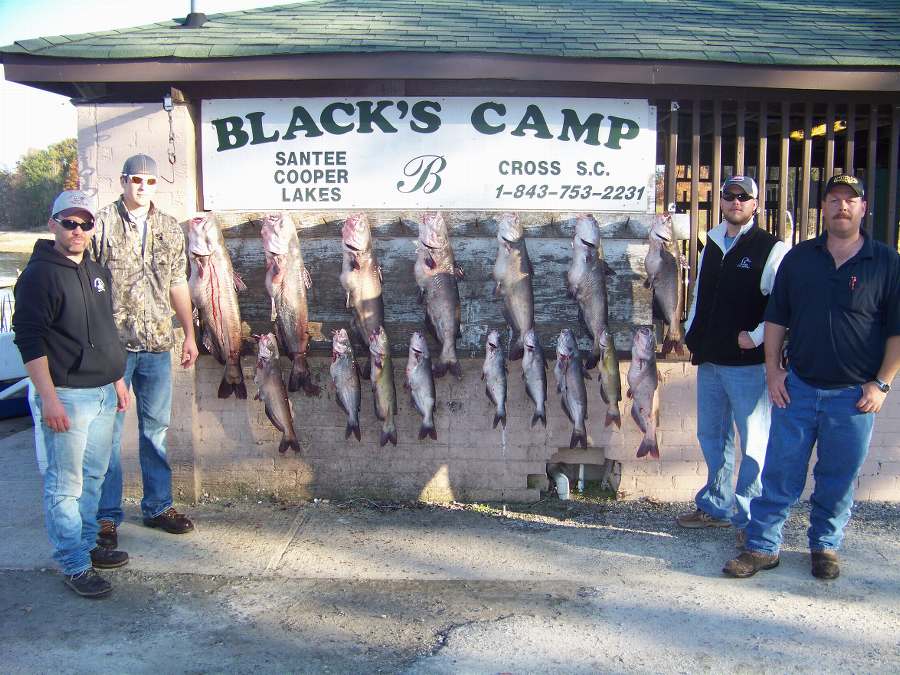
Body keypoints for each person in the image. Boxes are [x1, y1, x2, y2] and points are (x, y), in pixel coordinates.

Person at [724, 174, 900, 580]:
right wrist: (773, 371)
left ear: (863, 207)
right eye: (834, 199)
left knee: (837, 478)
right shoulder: (800, 259)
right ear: (823, 208)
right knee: (780, 474)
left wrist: (882, 383)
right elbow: (776, 318)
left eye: (850, 200)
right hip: (798, 388)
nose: (842, 206)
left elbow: (896, 330)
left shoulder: (887, 262)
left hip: (854, 397)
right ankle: (763, 547)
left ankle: (824, 546)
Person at [13, 191, 131, 598]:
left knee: (95, 476)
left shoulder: (98, 272)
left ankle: (87, 544)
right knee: (66, 484)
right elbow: (29, 340)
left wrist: (117, 378)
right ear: (53, 225)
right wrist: (48, 398)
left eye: (85, 223)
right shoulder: (38, 275)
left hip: (103, 392)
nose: (78, 230)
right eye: (69, 222)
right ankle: (73, 562)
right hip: (67, 395)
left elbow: (104, 328)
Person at [93, 154, 198, 548]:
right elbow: (89, 285)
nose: (142, 186)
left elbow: (177, 284)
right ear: (123, 182)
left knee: (156, 430)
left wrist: (188, 333)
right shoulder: (101, 223)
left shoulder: (170, 228)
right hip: (112, 348)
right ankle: (106, 515)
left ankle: (158, 506)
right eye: (136, 179)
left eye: (150, 181)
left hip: (157, 344)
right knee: (108, 433)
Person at [679, 176, 787, 543]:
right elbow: (699, 295)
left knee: (754, 443)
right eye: (730, 196)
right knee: (712, 436)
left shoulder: (772, 248)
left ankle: (751, 520)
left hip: (749, 366)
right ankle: (715, 506)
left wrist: (756, 337)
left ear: (756, 204)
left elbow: (782, 304)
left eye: (744, 197)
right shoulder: (710, 242)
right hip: (709, 359)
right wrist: (690, 331)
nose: (736, 202)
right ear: (721, 201)